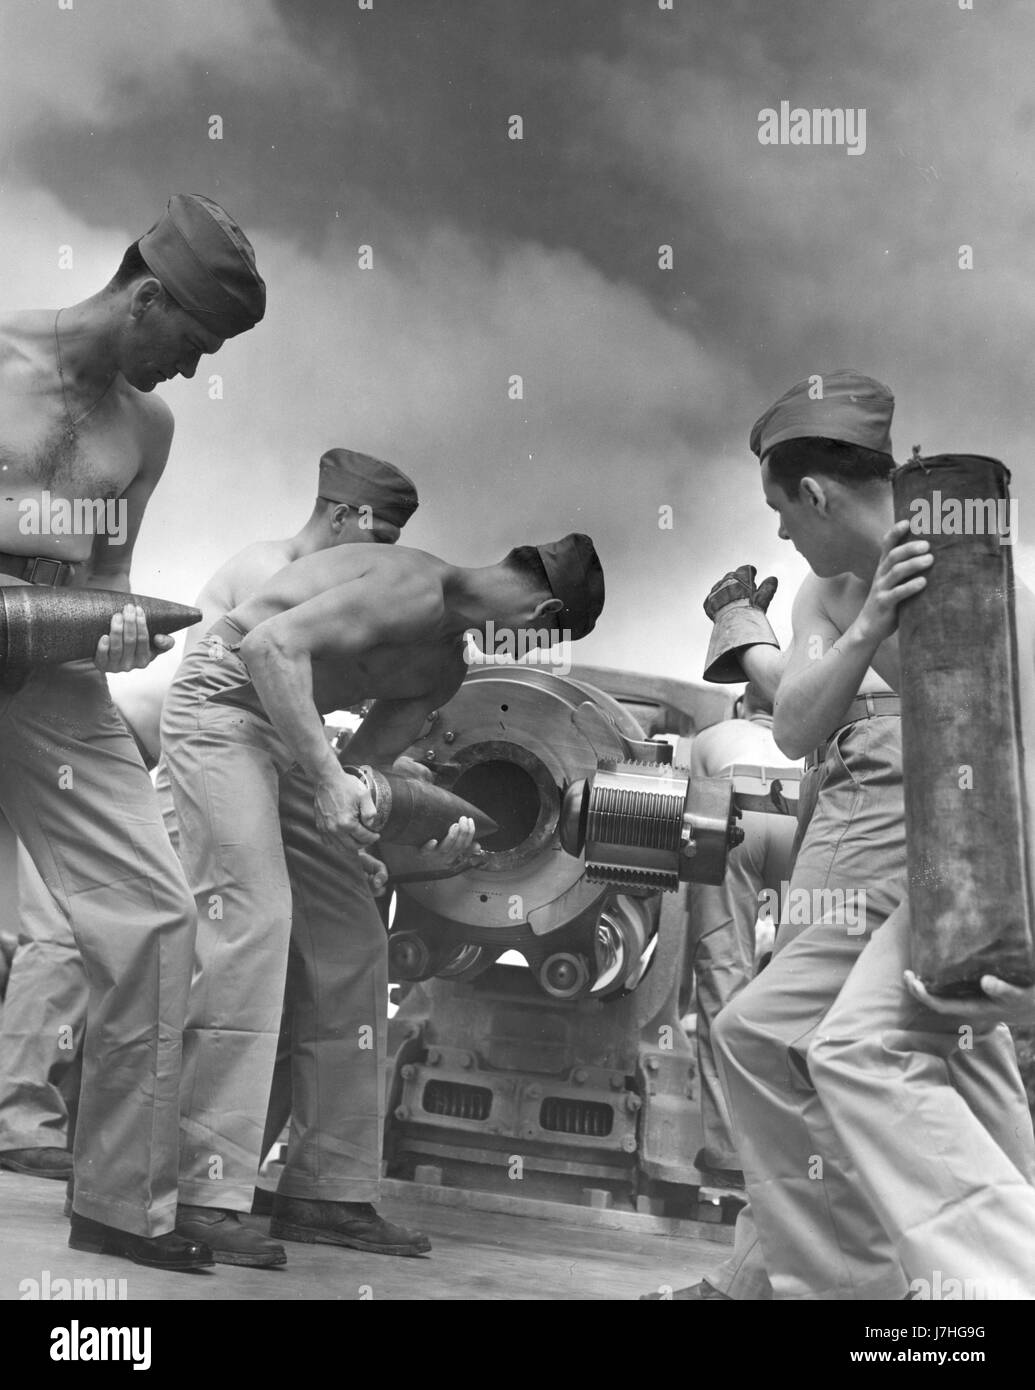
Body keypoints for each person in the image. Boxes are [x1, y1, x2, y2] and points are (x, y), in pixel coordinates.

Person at [161, 527, 604, 1264]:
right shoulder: (411, 588)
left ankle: (326, 1192)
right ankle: (198, 1194)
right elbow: (267, 650)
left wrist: (369, 840)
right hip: (223, 708)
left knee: (354, 946)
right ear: (538, 613)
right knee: (256, 922)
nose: (524, 658)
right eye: (539, 645)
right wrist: (330, 784)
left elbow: (359, 768)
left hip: (291, 740)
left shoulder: (441, 671)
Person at [709, 371, 1035, 1299]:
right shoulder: (835, 587)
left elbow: (1018, 740)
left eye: (780, 511)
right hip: (936, 844)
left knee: (871, 1049)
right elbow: (797, 728)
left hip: (983, 845)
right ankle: (864, 1291)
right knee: (792, 1038)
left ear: (812, 494)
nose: (780, 535)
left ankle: (955, 1292)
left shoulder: (956, 552)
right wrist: (870, 628)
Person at [0, 192, 265, 1270]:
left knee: (157, 915)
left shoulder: (146, 427)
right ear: (146, 296)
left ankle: (123, 1201)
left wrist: (114, 633)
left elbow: (105, 572)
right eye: (191, 344)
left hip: (51, 674)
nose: (189, 373)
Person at [685, 682, 800, 1188]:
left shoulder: (713, 736)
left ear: (742, 707)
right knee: (804, 985)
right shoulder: (809, 731)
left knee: (723, 979)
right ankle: (795, 1155)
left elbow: (691, 821)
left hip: (733, 815)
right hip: (802, 811)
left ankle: (730, 1152)